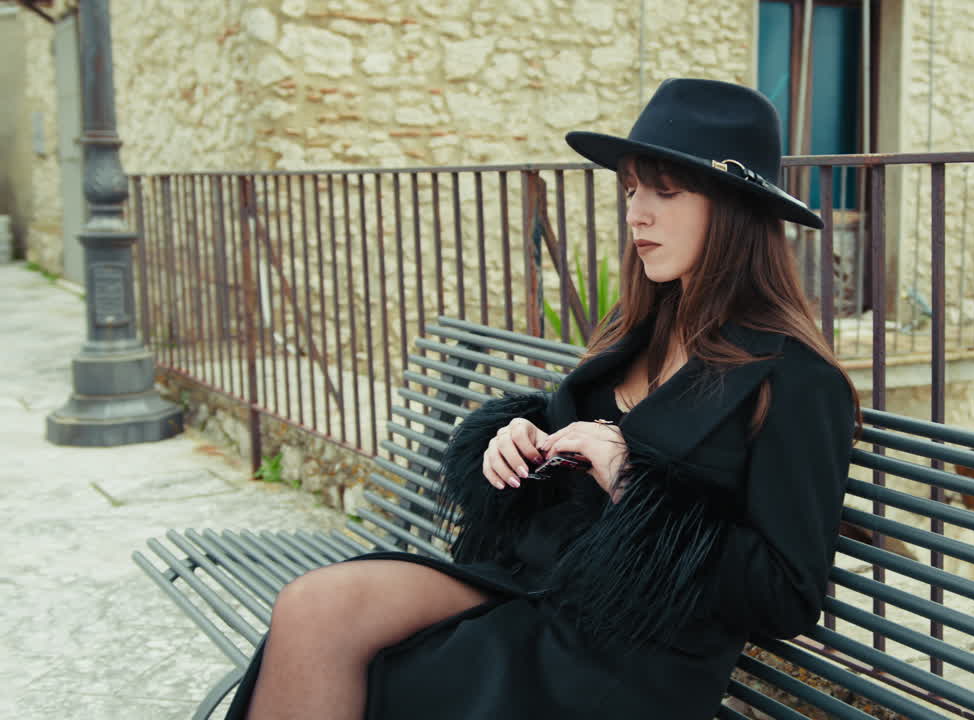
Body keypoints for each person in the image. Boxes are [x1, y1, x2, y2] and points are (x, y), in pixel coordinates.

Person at [226, 77, 859, 720]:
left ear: (734, 209)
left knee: (396, 679)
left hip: (625, 656)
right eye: (632, 189)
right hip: (529, 588)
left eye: (665, 191)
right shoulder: (639, 329)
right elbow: (562, 454)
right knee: (316, 608)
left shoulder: (797, 379)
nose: (637, 212)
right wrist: (518, 443)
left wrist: (630, 481)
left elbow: (786, 595)